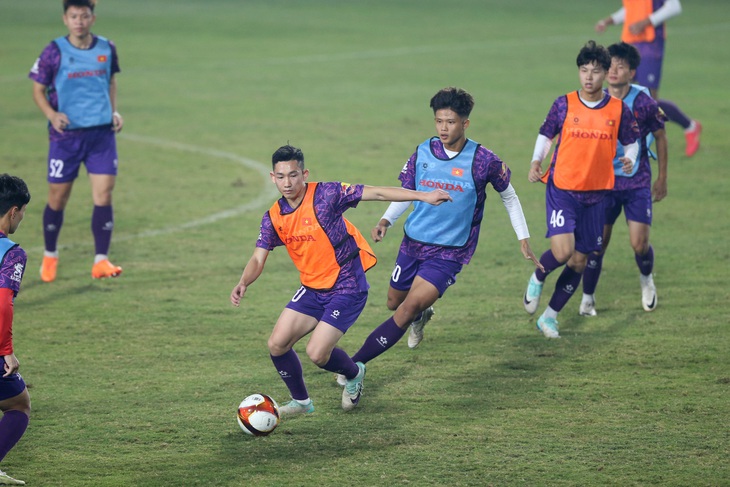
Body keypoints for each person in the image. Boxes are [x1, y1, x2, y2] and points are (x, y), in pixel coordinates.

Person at [229, 145, 451, 415]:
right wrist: (243, 282)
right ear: (272, 177)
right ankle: (301, 403)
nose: (287, 183)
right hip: (312, 288)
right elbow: (257, 258)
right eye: (281, 176)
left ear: (304, 174)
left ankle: (355, 374)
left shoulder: (327, 194)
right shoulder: (273, 217)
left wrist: (424, 196)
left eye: (293, 175)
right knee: (277, 344)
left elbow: (377, 192)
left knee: (317, 354)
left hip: (347, 286)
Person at [336, 86, 541, 375]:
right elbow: (408, 192)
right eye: (439, 121)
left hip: (450, 252)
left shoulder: (483, 160)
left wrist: (523, 237)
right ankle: (422, 315)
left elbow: (509, 195)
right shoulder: (423, 151)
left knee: (406, 310)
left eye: (451, 122)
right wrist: (386, 221)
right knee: (395, 303)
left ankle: (354, 368)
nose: (444, 128)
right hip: (413, 243)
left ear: (465, 123)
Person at [523, 41, 640, 339]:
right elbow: (546, 133)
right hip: (563, 188)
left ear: (605, 74)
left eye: (596, 71)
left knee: (579, 260)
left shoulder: (618, 109)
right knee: (562, 252)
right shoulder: (564, 103)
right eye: (584, 70)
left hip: (598, 194)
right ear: (579, 72)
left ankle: (549, 317)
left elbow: (632, 140)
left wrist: (630, 158)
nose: (589, 77)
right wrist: (537, 161)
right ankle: (538, 275)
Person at [29, 0, 124, 282]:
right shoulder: (54, 51)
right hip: (65, 137)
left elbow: (110, 82)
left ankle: (101, 261)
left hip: (101, 134)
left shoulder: (107, 48)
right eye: (74, 16)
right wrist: (51, 113)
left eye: (84, 16)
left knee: (104, 194)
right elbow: (38, 89)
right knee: (58, 198)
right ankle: (50, 255)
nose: (79, 21)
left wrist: (113, 110)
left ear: (92, 19)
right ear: (65, 19)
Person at [580, 42, 668, 316]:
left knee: (639, 244)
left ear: (632, 72)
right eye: (612, 65)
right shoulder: (597, 100)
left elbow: (662, 137)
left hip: (636, 182)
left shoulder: (644, 102)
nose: (615, 70)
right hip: (604, 183)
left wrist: (662, 178)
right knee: (597, 244)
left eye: (621, 66)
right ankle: (588, 297)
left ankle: (646, 280)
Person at [595, 0, 702, 157]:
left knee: (650, 100)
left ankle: (690, 126)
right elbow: (632, 9)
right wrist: (608, 21)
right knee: (621, 93)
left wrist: (646, 22)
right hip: (630, 42)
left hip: (650, 44)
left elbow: (674, 6)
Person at [0, 174, 32, 486]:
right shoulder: (11, 253)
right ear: (13, 211)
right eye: (22, 212)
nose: (22, 217)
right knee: (18, 406)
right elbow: (3, 304)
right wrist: (6, 350)